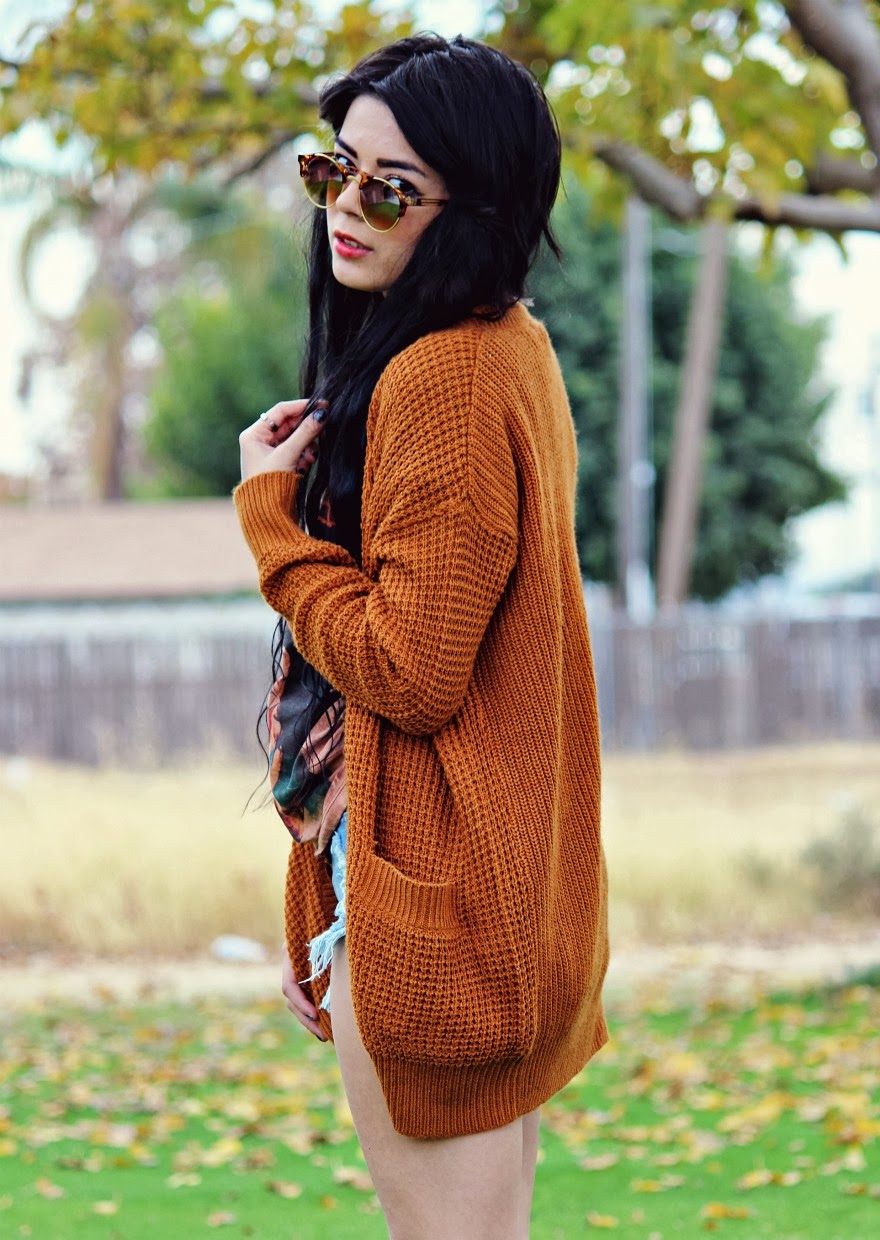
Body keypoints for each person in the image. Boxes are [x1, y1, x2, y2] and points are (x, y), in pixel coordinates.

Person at [234, 33, 609, 1240]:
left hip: (438, 919)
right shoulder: (510, 348)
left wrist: (273, 525)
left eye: (389, 190)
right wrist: (317, 892)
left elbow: (408, 670)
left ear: (474, 210)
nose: (346, 208)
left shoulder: (441, 379)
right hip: (481, 898)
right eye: (330, 171)